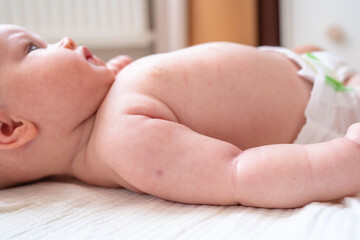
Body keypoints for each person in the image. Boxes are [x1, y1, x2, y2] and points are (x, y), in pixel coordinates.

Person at [1, 24, 360, 209]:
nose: (62, 40)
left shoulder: (98, 113)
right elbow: (237, 173)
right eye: (32, 48)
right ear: (11, 128)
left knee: (313, 49)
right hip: (329, 105)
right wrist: (347, 158)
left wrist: (113, 71)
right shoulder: (127, 143)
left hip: (298, 67)